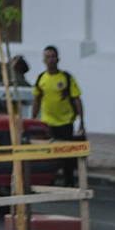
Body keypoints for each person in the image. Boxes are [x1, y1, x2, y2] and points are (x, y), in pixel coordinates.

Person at [32, 45, 84, 185]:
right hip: (47, 122)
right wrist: (33, 120)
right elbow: (37, 100)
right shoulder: (41, 79)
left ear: (58, 59)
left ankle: (69, 181)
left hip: (65, 121)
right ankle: (50, 180)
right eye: (47, 57)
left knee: (67, 153)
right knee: (49, 153)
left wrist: (81, 121)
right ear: (44, 60)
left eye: (53, 56)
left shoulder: (66, 78)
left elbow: (76, 99)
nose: (50, 60)